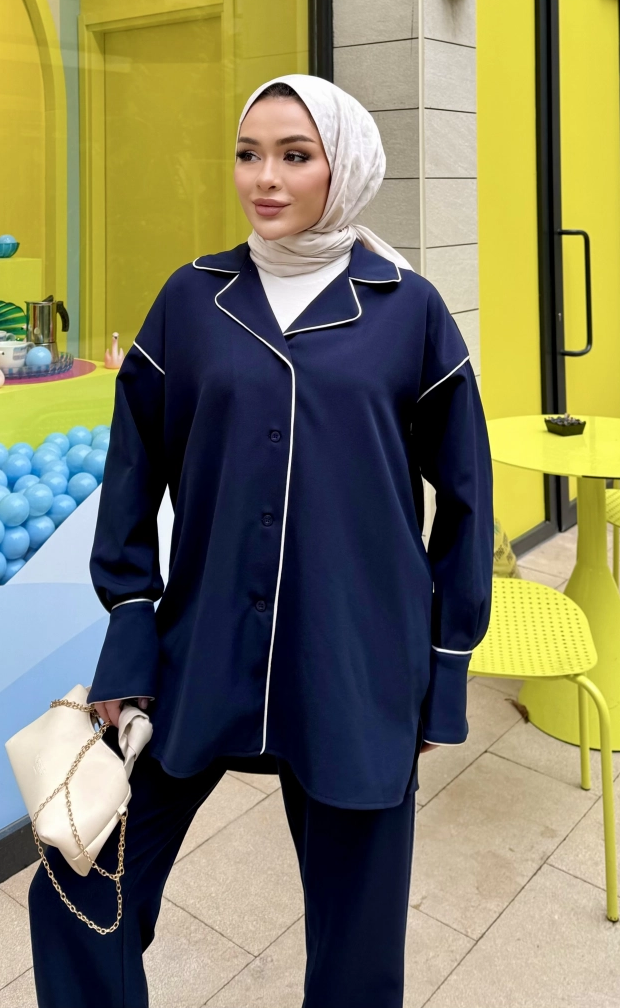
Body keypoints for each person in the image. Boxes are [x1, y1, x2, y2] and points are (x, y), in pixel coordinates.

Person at [29, 74, 494, 1008]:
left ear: (343, 167)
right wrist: (130, 629)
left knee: (357, 957)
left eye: (294, 155)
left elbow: (467, 501)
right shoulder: (192, 299)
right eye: (249, 154)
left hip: (355, 665)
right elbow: (132, 472)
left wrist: (441, 673)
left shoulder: (408, 309)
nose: (265, 178)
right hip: (200, 653)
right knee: (78, 890)